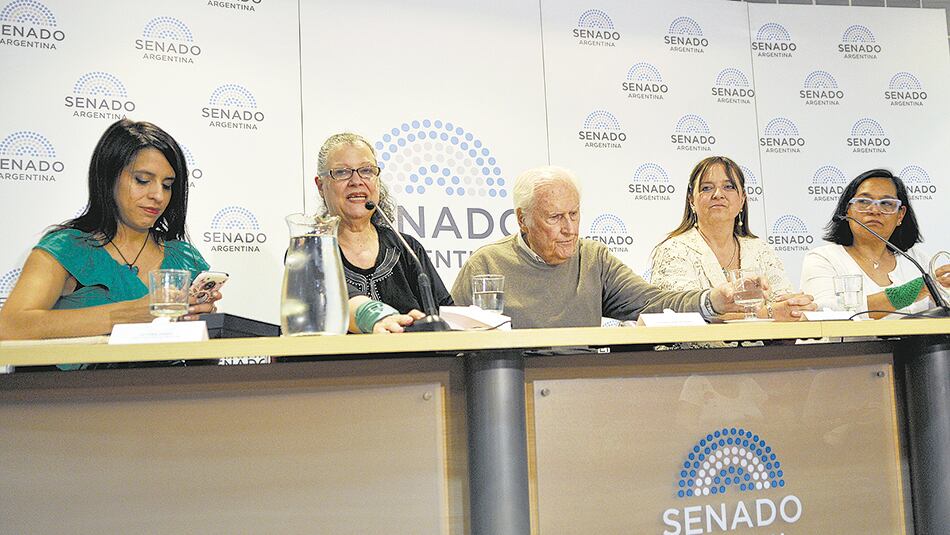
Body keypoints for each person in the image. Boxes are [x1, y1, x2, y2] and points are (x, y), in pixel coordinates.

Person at [450, 166, 812, 329]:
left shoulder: (593, 258)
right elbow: (452, 335)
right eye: (555, 217)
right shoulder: (487, 263)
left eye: (574, 214)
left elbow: (653, 302)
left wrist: (714, 300)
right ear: (522, 220)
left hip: (580, 384)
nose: (569, 229)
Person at [0, 119, 221, 343]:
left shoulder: (185, 259)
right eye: (142, 180)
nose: (158, 195)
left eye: (167, 185)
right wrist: (129, 314)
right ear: (108, 178)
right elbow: (10, 327)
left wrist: (205, 326)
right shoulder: (66, 248)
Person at [314, 132, 453, 333]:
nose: (356, 181)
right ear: (320, 186)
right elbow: (336, 299)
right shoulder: (311, 250)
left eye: (366, 170)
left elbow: (446, 315)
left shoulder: (406, 249)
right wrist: (376, 317)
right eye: (342, 172)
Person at [650, 156, 812, 321]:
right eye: (706, 188)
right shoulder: (673, 250)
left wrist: (795, 307)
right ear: (691, 200)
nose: (718, 194)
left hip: (763, 347)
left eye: (728, 187)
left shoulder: (760, 250)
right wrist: (767, 314)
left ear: (742, 199)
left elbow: (783, 305)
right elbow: (681, 314)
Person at [800, 169, 950, 318]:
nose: (875, 210)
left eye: (886, 203)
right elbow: (823, 313)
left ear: (900, 215)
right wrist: (909, 292)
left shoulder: (917, 259)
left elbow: (941, 314)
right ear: (847, 210)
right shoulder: (823, 258)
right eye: (864, 202)